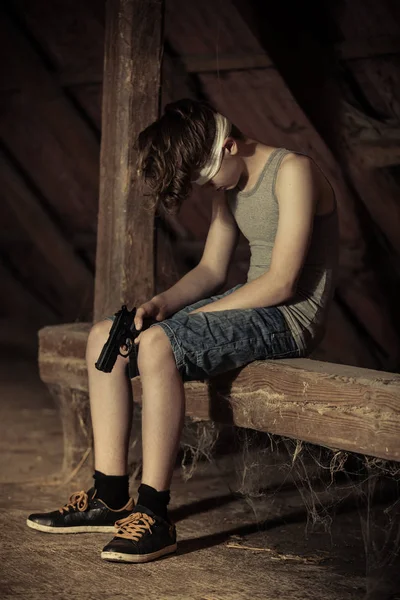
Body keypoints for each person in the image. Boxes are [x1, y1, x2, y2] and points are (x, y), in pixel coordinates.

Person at [26, 98, 339, 563]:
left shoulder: (294, 171)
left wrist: (188, 323)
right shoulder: (229, 184)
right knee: (105, 337)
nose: (209, 186)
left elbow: (282, 282)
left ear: (229, 146)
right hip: (251, 302)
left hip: (289, 315)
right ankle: (110, 496)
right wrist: (161, 304)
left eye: (208, 177)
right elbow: (212, 269)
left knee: (158, 345)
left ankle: (155, 514)